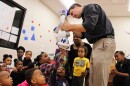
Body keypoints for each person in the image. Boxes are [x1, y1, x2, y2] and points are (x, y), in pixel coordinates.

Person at [61, 3, 116, 86]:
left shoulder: (90, 7)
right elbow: (81, 35)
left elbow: (88, 26)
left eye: (72, 13)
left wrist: (70, 26)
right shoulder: (85, 18)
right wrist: (69, 28)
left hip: (104, 42)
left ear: (76, 6)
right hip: (97, 44)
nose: (73, 16)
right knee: (93, 77)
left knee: (99, 77)